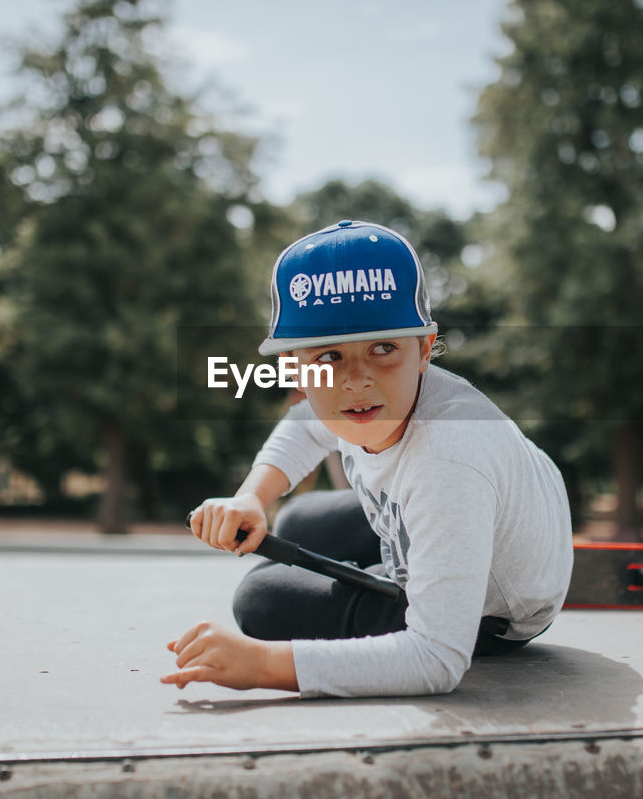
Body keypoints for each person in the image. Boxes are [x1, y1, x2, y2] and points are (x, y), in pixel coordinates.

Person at [160, 219, 572, 697]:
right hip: (501, 503)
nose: (356, 380)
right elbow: (302, 425)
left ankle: (382, 579)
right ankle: (371, 562)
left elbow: (437, 658)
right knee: (295, 520)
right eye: (329, 357)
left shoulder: (447, 460)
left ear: (424, 349)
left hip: (500, 610)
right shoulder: (366, 401)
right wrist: (252, 497)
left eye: (382, 348)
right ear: (294, 368)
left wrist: (262, 665)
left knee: (261, 602)